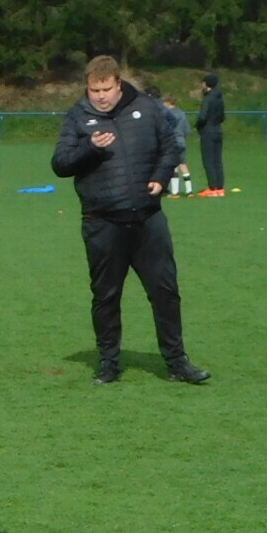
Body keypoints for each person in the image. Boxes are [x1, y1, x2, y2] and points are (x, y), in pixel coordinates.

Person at [51, 55, 209, 386]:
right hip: (102, 222)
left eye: (106, 89)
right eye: (94, 90)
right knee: (106, 296)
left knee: (165, 291)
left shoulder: (147, 108)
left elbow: (171, 147)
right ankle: (108, 364)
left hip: (148, 219)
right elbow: (61, 163)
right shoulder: (78, 117)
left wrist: (161, 177)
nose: (100, 97)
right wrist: (90, 148)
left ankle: (177, 362)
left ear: (118, 84)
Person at [194, 72, 226, 197]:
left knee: (208, 160)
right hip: (218, 130)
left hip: (208, 131)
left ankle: (212, 188)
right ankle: (220, 188)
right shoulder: (220, 98)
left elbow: (203, 116)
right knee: (217, 160)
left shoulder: (208, 98)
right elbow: (222, 117)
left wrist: (197, 126)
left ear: (206, 84)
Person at [157, 92, 192, 198]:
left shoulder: (167, 114)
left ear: (167, 102)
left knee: (174, 167)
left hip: (172, 141)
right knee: (183, 165)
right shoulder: (182, 113)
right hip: (181, 141)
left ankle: (175, 192)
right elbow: (187, 129)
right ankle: (189, 190)